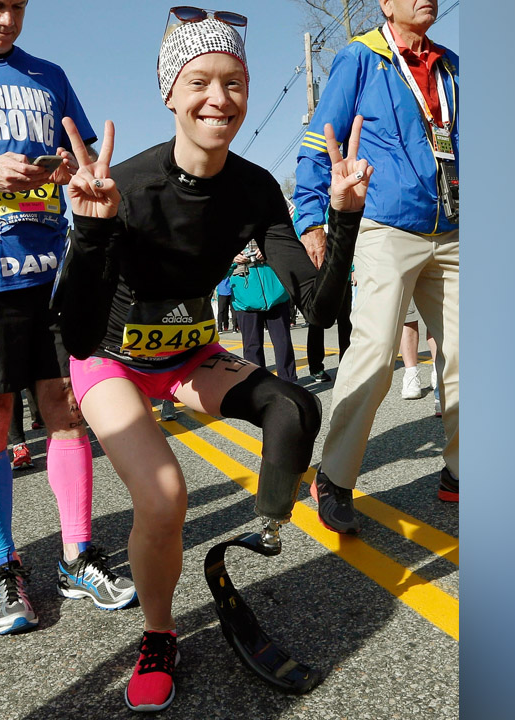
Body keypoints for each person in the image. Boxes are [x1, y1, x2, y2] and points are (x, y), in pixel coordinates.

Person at [53, 10, 371, 711]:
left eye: (235, 81)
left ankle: (267, 535)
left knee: (295, 406)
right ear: (170, 92)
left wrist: (344, 215)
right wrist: (91, 232)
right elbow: (75, 335)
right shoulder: (128, 186)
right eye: (199, 81)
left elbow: (315, 309)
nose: (218, 98)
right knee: (164, 495)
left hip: (188, 351)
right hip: (110, 359)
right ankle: (159, 633)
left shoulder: (256, 189)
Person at [0, 0, 135, 635]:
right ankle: (5, 571)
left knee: (66, 405)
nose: (7, 19)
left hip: (53, 266)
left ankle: (77, 555)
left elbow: (81, 157)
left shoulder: (48, 74)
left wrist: (69, 171)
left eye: (19, 7)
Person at [294, 0, 460, 524]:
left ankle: (460, 470)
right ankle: (335, 479)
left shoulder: (454, 66)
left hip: (454, 229)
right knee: (376, 349)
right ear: (385, 4)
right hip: (387, 224)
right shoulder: (360, 57)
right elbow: (322, 137)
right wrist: (311, 216)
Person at [231, 242, 298, 381]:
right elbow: (217, 267)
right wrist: (232, 258)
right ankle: (258, 385)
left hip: (276, 295)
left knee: (283, 342)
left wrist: (270, 250)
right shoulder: (227, 233)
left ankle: (289, 382)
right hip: (245, 299)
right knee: (252, 347)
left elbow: (289, 251)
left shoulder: (271, 227)